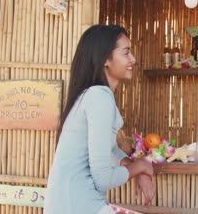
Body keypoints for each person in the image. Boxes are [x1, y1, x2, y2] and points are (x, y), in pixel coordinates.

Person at [44, 25, 154, 213]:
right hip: (78, 206)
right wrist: (141, 167)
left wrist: (137, 168)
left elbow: (109, 149)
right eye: (126, 53)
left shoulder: (92, 95)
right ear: (105, 59)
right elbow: (103, 178)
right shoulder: (99, 97)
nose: (133, 59)